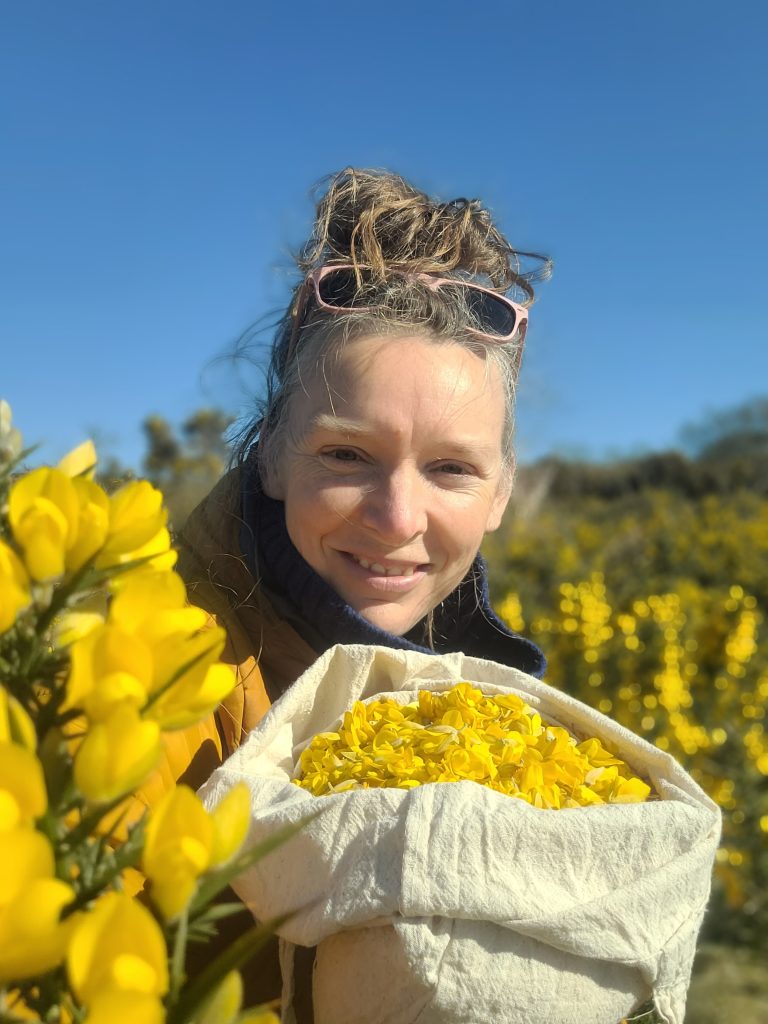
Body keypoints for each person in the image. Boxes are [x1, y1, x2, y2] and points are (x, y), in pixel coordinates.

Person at [143, 167, 551, 1011]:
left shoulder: (483, 698)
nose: (398, 518)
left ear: (502, 491)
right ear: (272, 456)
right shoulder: (160, 689)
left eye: (451, 469)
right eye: (345, 455)